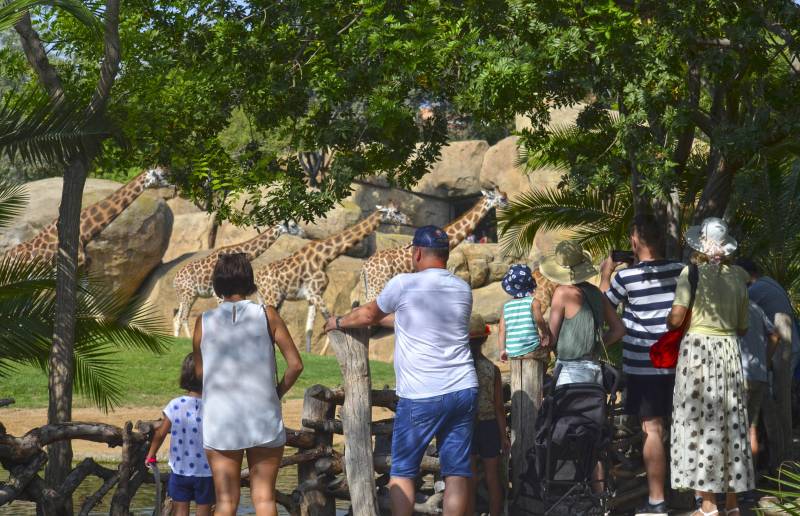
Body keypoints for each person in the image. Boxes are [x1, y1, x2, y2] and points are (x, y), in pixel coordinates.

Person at [323, 225, 478, 516]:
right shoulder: (461, 288)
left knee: (404, 470)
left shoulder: (404, 283)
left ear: (417, 252)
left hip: (422, 393)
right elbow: (413, 320)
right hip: (462, 388)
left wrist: (340, 321)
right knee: (456, 470)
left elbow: (369, 314)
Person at [193, 253, 304, 516]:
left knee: (225, 502)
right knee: (264, 499)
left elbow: (200, 374)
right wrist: (276, 393)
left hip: (221, 419)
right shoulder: (268, 315)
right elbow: (296, 365)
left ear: (217, 283)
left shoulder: (203, 321)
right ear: (249, 281)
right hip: (262, 415)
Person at [599, 214, 685, 516]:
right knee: (684, 424)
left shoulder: (626, 278)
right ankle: (695, 495)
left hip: (644, 365)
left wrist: (606, 273)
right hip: (679, 362)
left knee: (652, 429)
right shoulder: (681, 270)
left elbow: (602, 308)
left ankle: (657, 499)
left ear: (634, 242)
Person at [666, 217, 753, 516]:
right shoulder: (739, 277)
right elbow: (743, 327)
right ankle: (732, 504)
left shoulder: (691, 273)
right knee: (730, 424)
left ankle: (707, 504)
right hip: (728, 351)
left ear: (699, 244)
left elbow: (676, 318)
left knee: (698, 422)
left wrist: (672, 321)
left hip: (699, 352)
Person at [540, 240, 625, 387]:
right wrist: (595, 346)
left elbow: (552, 339)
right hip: (594, 368)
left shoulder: (562, 293)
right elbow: (619, 330)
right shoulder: (596, 293)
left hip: (569, 371)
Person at [145, 353, 214, 516]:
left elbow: (161, 433)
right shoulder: (213, 406)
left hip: (180, 470)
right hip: (206, 472)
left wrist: (151, 454)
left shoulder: (175, 405)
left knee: (180, 512)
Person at [465, 314, 510, 516]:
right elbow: (499, 406)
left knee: (470, 478)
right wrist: (503, 436)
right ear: (484, 339)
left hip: (466, 427)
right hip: (490, 425)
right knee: (493, 477)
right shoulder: (492, 370)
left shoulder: (459, 368)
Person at [739, 299, 780, 472]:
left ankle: (738, 487)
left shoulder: (730, 305)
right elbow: (775, 336)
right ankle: (751, 483)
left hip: (740, 374)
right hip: (758, 374)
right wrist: (766, 359)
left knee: (736, 432)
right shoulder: (755, 307)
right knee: (751, 430)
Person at [498, 264, 548, 363]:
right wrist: (545, 333)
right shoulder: (533, 302)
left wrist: (502, 350)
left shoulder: (507, 306)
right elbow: (539, 320)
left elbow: (501, 330)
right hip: (532, 350)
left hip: (513, 352)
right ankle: (543, 377)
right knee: (546, 355)